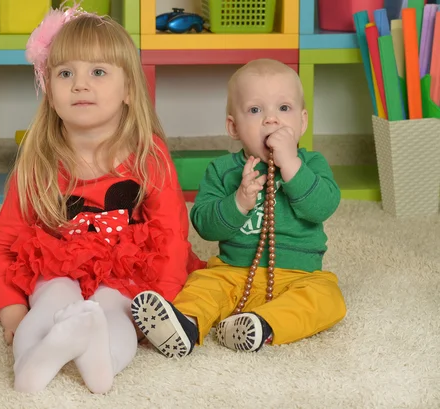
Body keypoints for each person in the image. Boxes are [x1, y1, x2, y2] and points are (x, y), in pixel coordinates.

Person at [0, 4, 204, 394]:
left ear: (128, 90)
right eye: (64, 73)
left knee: (117, 311)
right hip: (56, 259)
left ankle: (100, 362)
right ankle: (30, 363)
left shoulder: (149, 155)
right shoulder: (39, 158)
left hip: (125, 265)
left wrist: (160, 303)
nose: (80, 84)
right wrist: (12, 311)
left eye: (98, 72)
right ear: (49, 92)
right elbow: (4, 242)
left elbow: (171, 233)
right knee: (49, 301)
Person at [131, 58, 346, 358]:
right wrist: (238, 202)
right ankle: (186, 324)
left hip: (299, 276)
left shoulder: (311, 165)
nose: (271, 120)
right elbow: (204, 224)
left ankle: (261, 325)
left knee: (328, 298)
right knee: (202, 284)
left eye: (284, 108)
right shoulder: (221, 170)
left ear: (303, 122)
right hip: (233, 271)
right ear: (233, 127)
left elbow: (322, 207)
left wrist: (292, 167)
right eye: (256, 110)